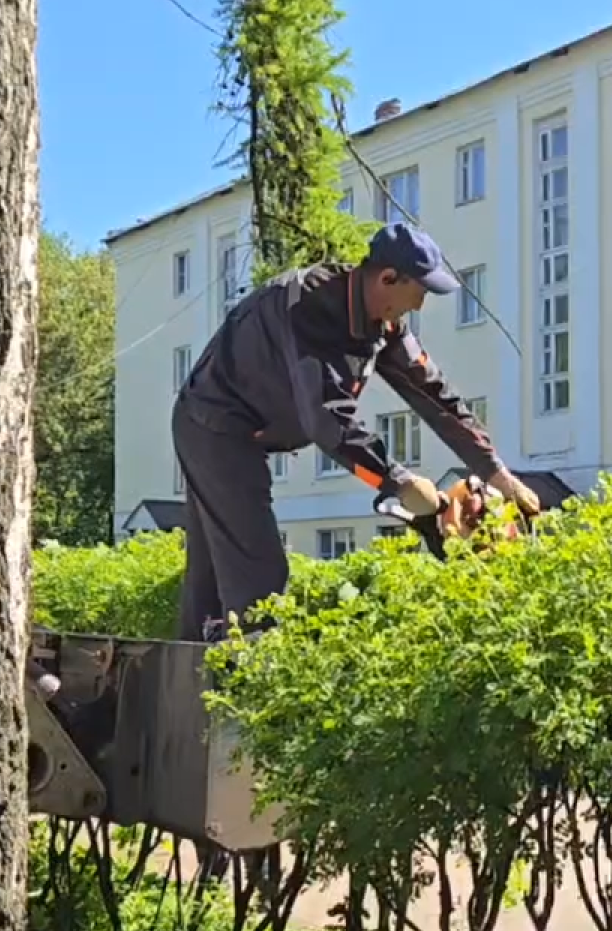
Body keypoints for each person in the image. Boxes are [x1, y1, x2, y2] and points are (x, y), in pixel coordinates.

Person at [172, 222, 539, 641]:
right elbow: (327, 420)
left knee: (211, 577)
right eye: (419, 291)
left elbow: (435, 396)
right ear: (387, 279)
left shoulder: (383, 324)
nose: (419, 305)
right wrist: (395, 479)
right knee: (258, 572)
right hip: (214, 425)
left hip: (238, 428)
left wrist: (495, 473)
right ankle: (246, 689)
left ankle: (182, 685)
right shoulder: (309, 310)